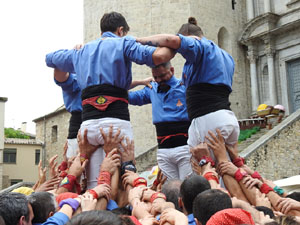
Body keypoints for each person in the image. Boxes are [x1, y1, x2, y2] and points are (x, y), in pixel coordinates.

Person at [45, 11, 174, 189]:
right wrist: (176, 43)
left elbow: (50, 59)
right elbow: (160, 57)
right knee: (123, 181)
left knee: (92, 185)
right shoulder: (124, 43)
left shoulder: (82, 51)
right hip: (116, 122)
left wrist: (74, 51)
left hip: (88, 125)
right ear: (120, 31)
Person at [136, 17, 240, 163]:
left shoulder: (198, 44)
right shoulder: (226, 56)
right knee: (228, 170)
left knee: (206, 173)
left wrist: (139, 40)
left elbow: (171, 40)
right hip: (227, 118)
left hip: (208, 120)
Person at [129, 61, 192, 180]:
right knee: (169, 190)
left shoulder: (185, 86)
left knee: (188, 188)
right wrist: (140, 82)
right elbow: (125, 95)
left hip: (185, 148)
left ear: (172, 70)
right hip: (163, 150)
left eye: (162, 76)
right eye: (155, 77)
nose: (159, 80)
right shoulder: (151, 88)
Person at [54, 72, 82, 158]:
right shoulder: (75, 73)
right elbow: (62, 78)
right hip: (79, 119)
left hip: (105, 117)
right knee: (76, 161)